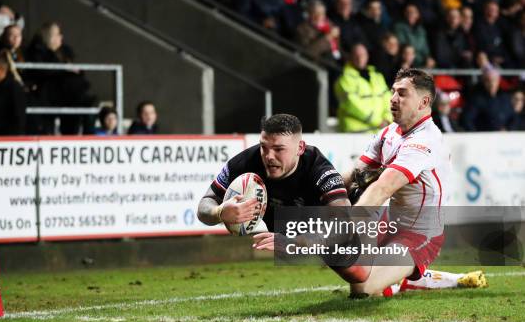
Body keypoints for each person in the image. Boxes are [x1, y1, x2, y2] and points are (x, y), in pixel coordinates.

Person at [253, 69, 487, 297]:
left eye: (403, 94)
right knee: (351, 259)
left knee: (363, 287)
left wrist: (332, 231)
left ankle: (439, 279)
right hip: (386, 225)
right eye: (393, 92)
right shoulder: (389, 133)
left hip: (419, 235)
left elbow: (382, 188)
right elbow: (353, 176)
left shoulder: (424, 142)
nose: (393, 99)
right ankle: (399, 275)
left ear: (423, 102)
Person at [197, 113, 349, 235]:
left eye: (278, 149)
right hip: (283, 236)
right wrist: (219, 212)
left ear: (300, 148)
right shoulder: (244, 163)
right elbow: (204, 205)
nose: (269, 156)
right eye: (264, 147)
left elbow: (343, 217)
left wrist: (299, 244)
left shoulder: (317, 167)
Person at [334, 43, 392, 133]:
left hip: (379, 132)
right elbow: (351, 104)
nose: (359, 58)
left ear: (367, 56)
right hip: (355, 134)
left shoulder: (377, 76)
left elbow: (388, 99)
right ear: (351, 57)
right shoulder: (344, 78)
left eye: (362, 55)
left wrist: (388, 118)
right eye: (356, 55)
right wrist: (378, 121)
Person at [461, 67, 516, 131]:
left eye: (494, 80)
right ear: (484, 81)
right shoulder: (476, 99)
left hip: (504, 137)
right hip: (484, 137)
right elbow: (466, 120)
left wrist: (507, 129)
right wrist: (476, 135)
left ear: (498, 81)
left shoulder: (505, 98)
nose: (492, 84)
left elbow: (513, 117)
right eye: (488, 81)